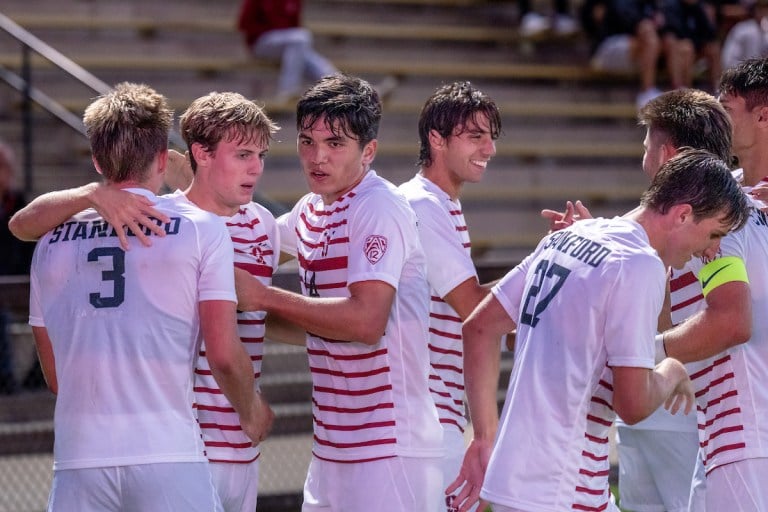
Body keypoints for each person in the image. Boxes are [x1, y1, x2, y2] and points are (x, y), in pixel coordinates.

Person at [9, 90, 281, 512]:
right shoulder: (200, 230)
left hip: (80, 458)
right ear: (161, 158)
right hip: (167, 453)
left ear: (97, 162)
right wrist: (252, 410)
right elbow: (224, 352)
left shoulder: (49, 242)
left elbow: (55, 374)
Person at [447, 148, 750, 512]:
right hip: (566, 483)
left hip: (519, 476)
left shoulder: (567, 238)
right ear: (683, 214)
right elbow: (633, 403)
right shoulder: (640, 265)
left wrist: (484, 437)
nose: (712, 250)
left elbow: (480, 327)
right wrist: (671, 371)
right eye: (714, 234)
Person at [234, 73, 445, 511]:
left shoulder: (378, 207)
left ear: (368, 151)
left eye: (335, 144)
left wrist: (265, 298)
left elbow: (365, 323)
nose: (317, 157)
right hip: (333, 446)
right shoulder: (311, 210)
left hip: (390, 445)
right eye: (307, 142)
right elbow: (246, 255)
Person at [540, 89, 733, 512]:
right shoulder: (656, 224)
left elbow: (727, 320)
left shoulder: (719, 223)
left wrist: (654, 356)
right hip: (647, 405)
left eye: (648, 143)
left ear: (668, 154)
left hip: (686, 408)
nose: (643, 152)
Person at [659, 57, 768, 509]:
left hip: (747, 428)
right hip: (724, 426)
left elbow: (731, 322)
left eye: (728, 106)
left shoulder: (726, 209)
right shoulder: (724, 199)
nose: (718, 120)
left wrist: (639, 353)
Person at [397, 81, 501, 512]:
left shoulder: (441, 202)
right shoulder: (422, 204)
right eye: (475, 136)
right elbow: (474, 307)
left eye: (491, 137)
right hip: (421, 419)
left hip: (430, 415)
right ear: (436, 140)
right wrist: (553, 264)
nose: (489, 148)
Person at [237, 0, 338, 104]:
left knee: (302, 47)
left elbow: (295, 25)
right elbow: (243, 23)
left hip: (288, 45)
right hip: (261, 43)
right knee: (301, 38)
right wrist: (274, 30)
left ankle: (337, 84)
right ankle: (288, 90)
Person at [581, 0, 668, 108]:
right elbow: (631, 23)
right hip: (608, 49)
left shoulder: (653, 5)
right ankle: (647, 91)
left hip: (634, 54)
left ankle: (681, 89)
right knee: (648, 34)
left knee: (673, 42)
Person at [0, 141, 35, 394]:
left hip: (19, 282)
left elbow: (30, 250)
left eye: (4, 167)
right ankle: (6, 379)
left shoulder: (20, 204)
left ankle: (35, 379)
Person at [660, 0, 722, 92]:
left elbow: (710, 34)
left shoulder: (699, 7)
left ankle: (717, 89)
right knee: (687, 47)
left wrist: (708, 16)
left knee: (714, 48)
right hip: (677, 45)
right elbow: (675, 31)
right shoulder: (671, 6)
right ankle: (683, 89)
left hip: (695, 42)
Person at [721, 0, 768, 69]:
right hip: (744, 74)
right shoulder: (742, 30)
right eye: (761, 8)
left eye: (766, 8)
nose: (764, 12)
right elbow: (729, 60)